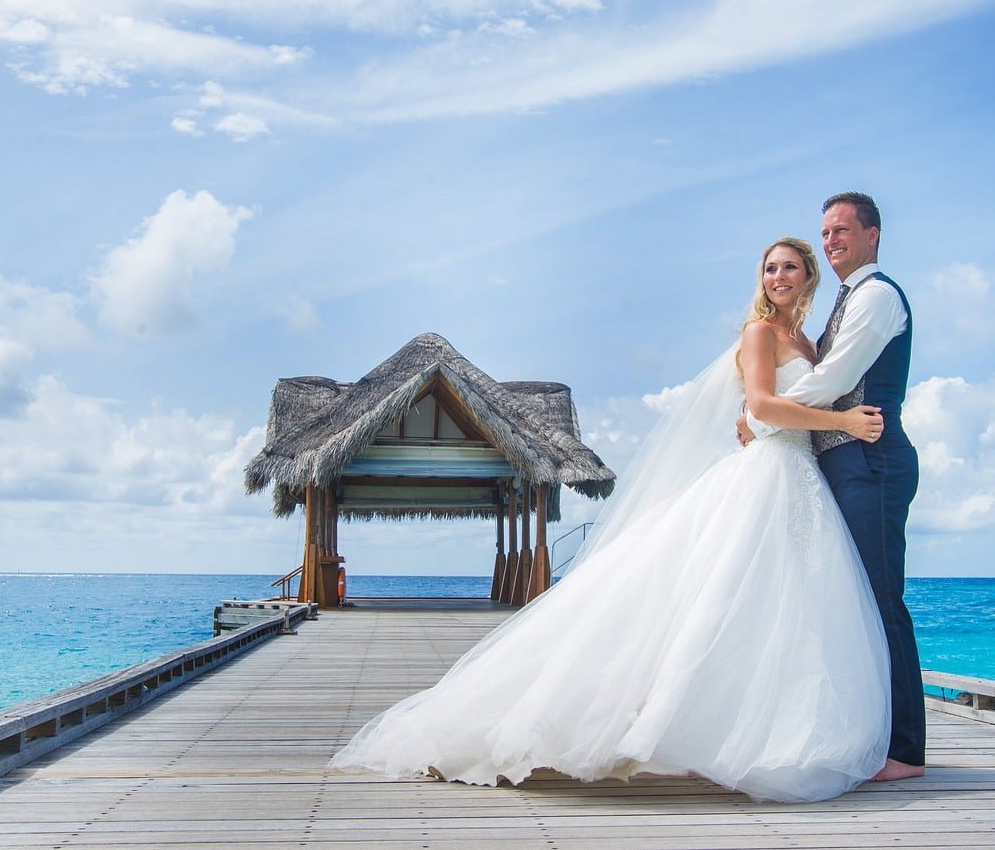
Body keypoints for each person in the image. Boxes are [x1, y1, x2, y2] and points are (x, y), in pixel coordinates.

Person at [330, 236, 893, 803]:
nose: (779, 276)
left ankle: (771, 729)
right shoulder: (760, 332)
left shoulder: (806, 341)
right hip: (768, 472)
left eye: (790, 268)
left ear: (809, 278)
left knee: (785, 607)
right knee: (719, 596)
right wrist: (841, 421)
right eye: (771, 268)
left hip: (799, 475)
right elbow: (762, 406)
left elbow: (778, 407)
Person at [738, 193, 925, 782]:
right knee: (850, 601)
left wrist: (761, 417)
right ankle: (865, 733)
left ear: (872, 235)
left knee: (881, 600)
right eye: (826, 231)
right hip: (840, 464)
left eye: (843, 230)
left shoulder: (874, 296)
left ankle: (905, 751)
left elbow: (837, 377)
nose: (832, 239)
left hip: (871, 460)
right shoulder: (830, 311)